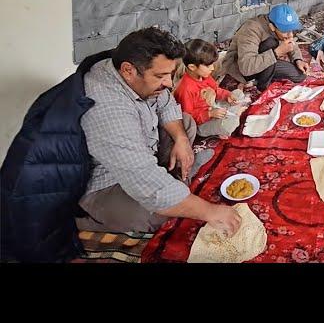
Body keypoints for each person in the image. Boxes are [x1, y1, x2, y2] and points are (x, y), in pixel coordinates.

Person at [75, 27, 241, 235]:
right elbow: (142, 177)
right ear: (128, 71)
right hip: (108, 182)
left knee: (185, 123)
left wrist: (181, 140)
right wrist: (208, 211)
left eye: (170, 74)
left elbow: (167, 103)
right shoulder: (106, 108)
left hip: (142, 152)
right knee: (161, 215)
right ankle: (86, 219)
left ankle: (173, 181)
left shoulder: (132, 71)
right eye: (161, 76)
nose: (169, 83)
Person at [216, 4, 310, 91]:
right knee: (271, 43)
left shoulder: (278, 25)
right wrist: (277, 52)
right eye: (285, 31)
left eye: (291, 30)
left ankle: (258, 79)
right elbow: (246, 67)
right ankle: (261, 85)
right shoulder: (251, 29)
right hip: (240, 68)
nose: (290, 35)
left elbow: (291, 42)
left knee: (300, 75)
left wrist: (298, 60)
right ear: (272, 27)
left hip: (264, 61)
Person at [173, 39, 246, 139]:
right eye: (208, 65)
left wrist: (227, 95)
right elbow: (188, 118)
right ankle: (230, 119)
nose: (212, 68)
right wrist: (210, 114)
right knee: (230, 123)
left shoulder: (205, 75)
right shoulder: (185, 89)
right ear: (192, 67)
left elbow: (216, 90)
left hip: (213, 107)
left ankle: (232, 115)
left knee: (238, 94)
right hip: (201, 124)